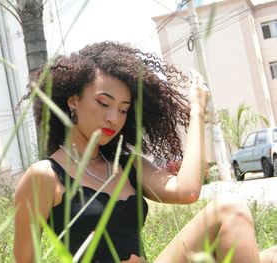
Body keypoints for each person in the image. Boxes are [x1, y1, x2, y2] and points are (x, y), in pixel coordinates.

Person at [14, 41, 277, 263]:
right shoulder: (44, 177)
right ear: (73, 101)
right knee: (229, 208)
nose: (113, 118)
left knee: (253, 234)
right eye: (103, 103)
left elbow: (187, 191)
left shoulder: (129, 167)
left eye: (123, 109)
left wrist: (196, 110)